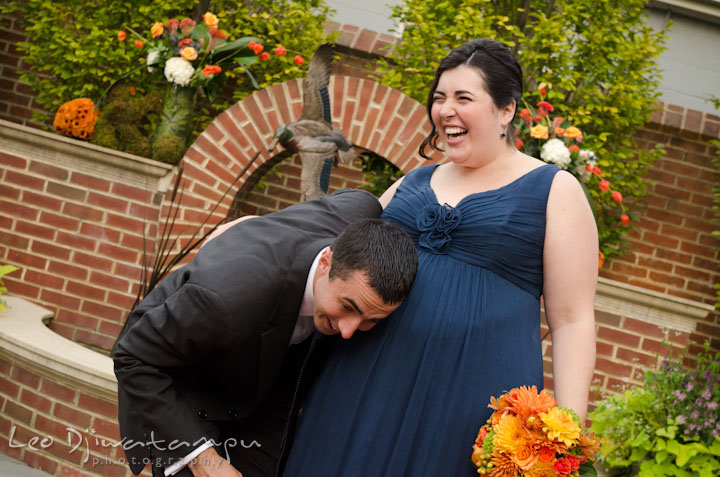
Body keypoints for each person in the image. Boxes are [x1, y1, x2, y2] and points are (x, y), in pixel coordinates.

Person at [284, 38, 598, 475]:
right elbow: (340, 255)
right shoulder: (413, 182)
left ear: (506, 109)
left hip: (467, 403)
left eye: (463, 98)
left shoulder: (554, 191)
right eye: (439, 98)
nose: (446, 110)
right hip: (361, 382)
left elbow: (573, 320)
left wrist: (565, 434)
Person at [113, 188, 418, 477]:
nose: (350, 331)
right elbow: (133, 357)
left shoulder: (360, 209)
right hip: (187, 387)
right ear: (326, 262)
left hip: (268, 384)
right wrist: (205, 460)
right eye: (347, 306)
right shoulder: (227, 299)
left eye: (370, 320)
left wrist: (260, 224)